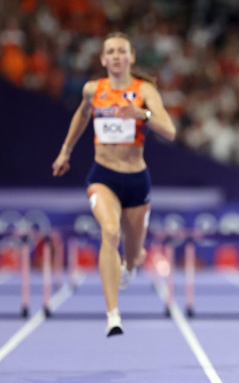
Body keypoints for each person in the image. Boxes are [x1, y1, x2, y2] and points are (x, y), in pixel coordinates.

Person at [52, 32, 176, 337]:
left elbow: (170, 132)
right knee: (110, 232)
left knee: (132, 255)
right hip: (103, 176)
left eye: (122, 51)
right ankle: (113, 314)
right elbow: (81, 117)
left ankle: (133, 263)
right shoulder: (93, 89)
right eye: (111, 52)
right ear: (103, 59)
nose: (117, 56)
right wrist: (66, 150)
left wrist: (142, 114)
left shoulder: (144, 90)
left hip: (136, 180)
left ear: (131, 57)